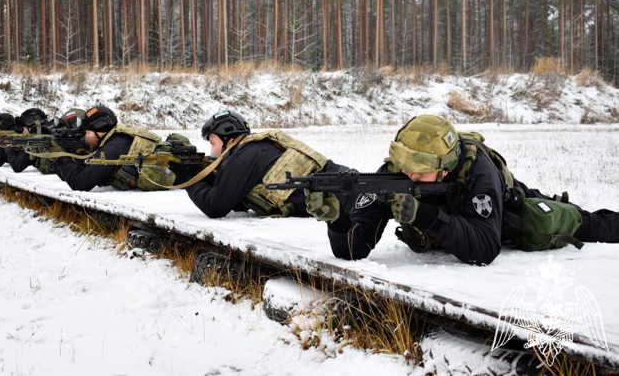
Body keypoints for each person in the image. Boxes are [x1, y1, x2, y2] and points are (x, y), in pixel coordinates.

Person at [309, 115, 619, 266]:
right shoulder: (394, 174)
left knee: (582, 222)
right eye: (403, 164)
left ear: (444, 167)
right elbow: (353, 250)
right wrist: (336, 222)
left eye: (419, 170)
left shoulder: (478, 174)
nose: (408, 174)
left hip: (513, 212)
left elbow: (486, 248)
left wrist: (425, 216)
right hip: (455, 229)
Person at [185, 110, 349, 219]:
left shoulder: (243, 156)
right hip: (344, 187)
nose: (212, 151)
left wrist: (188, 177)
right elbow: (236, 201)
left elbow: (215, 206)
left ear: (227, 138)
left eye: (213, 142)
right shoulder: (255, 148)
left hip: (346, 197)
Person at [51, 105, 175, 191]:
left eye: (86, 132)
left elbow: (80, 183)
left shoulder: (113, 148)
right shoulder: (115, 140)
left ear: (98, 130)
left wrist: (60, 157)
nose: (84, 136)